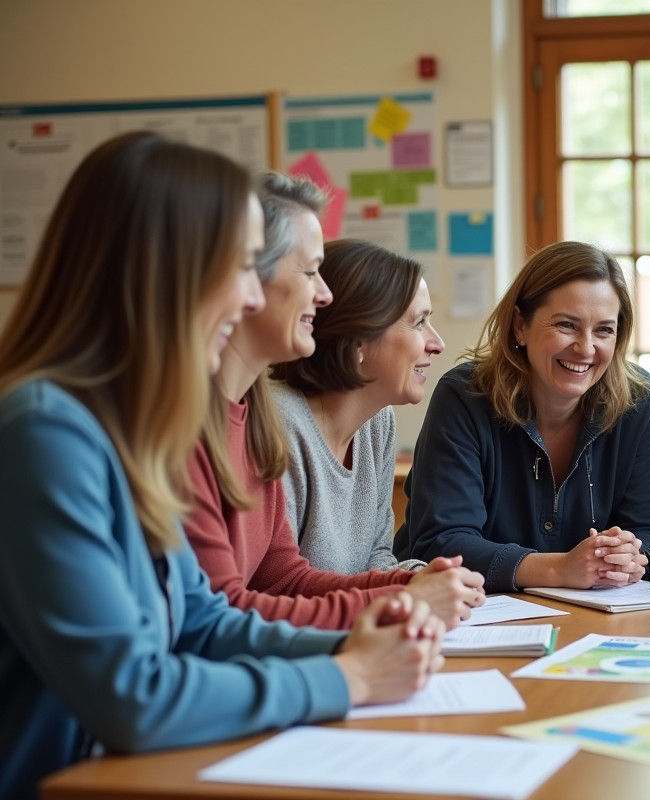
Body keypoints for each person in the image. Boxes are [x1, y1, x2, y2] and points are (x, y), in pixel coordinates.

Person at [0, 133, 443, 800]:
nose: (250, 300)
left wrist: (357, 641)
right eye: (240, 268)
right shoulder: (46, 432)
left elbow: (203, 621)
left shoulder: (128, 425)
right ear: (167, 273)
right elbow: (134, 694)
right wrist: (348, 678)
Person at [183, 173, 483, 630]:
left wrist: (409, 587)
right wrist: (394, 610)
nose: (322, 295)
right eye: (309, 272)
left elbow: (281, 575)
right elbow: (219, 616)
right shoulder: (246, 423)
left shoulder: (256, 413)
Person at [397, 240, 650, 593]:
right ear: (519, 326)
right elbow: (442, 542)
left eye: (604, 329)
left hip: (590, 616)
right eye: (567, 325)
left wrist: (630, 556)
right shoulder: (464, 396)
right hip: (468, 618)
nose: (586, 348)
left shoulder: (636, 398)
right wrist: (560, 568)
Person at [270, 239, 444, 574]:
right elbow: (278, 586)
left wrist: (423, 576)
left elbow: (377, 557)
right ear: (358, 341)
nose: (437, 344)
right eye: (419, 323)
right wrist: (404, 590)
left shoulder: (378, 421)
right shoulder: (279, 422)